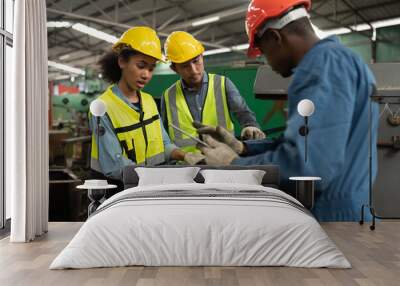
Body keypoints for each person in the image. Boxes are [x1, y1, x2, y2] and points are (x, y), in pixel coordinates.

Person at [194, 0, 379, 222]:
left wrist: (233, 165)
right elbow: (303, 142)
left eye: (263, 51)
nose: (267, 61)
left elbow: (308, 166)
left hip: (332, 219)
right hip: (345, 212)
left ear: (275, 37)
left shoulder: (320, 66)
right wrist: (242, 148)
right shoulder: (339, 59)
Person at [89, 26, 204, 181]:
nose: (146, 75)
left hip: (150, 188)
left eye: (151, 69)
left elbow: (164, 144)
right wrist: (159, 178)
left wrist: (185, 156)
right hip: (121, 194)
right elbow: (114, 166)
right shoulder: (102, 108)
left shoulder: (149, 101)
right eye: (141, 66)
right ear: (122, 61)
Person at [160, 31, 265, 153]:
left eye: (196, 61)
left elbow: (243, 113)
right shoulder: (168, 96)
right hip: (186, 166)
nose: (193, 70)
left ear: (202, 56)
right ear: (174, 69)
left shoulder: (223, 84)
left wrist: (250, 126)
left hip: (224, 161)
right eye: (185, 66)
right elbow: (165, 137)